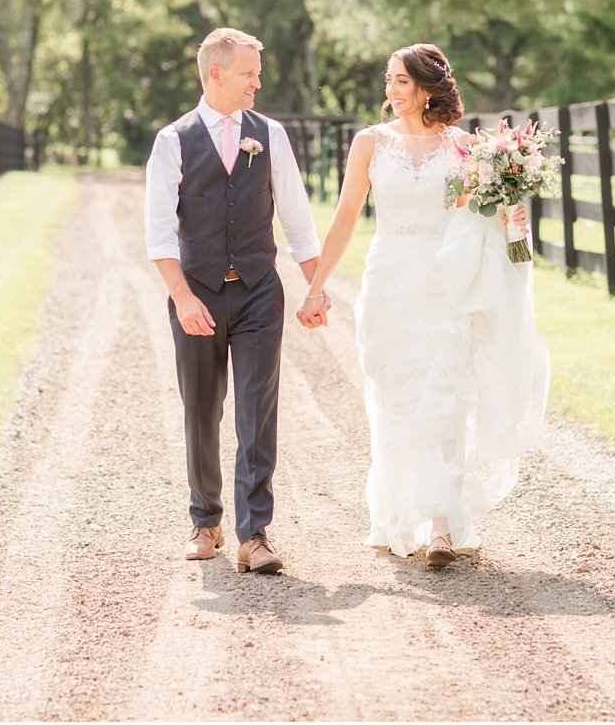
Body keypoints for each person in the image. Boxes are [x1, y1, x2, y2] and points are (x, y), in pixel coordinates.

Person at [297, 43, 548, 566]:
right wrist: (316, 285)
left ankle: (441, 524)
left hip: (443, 281)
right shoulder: (369, 143)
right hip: (389, 278)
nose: (391, 90)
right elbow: (345, 218)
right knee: (394, 395)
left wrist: (509, 210)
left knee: (446, 396)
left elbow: (480, 213)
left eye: (402, 82)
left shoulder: (463, 147)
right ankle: (396, 516)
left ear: (428, 87)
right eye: (388, 80)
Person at [145, 28, 327, 574]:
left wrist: (316, 288)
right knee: (202, 410)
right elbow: (158, 233)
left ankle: (255, 533)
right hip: (196, 294)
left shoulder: (269, 135)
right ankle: (206, 520)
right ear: (217, 74)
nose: (258, 82)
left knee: (256, 408)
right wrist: (181, 298)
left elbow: (296, 219)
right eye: (249, 73)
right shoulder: (172, 141)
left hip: (256, 294)